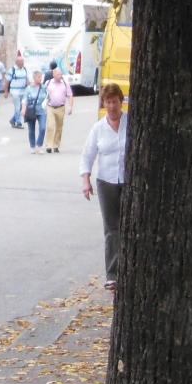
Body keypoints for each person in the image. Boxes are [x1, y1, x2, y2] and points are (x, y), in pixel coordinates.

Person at [79, 83, 128, 288]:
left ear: (121, 102)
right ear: (104, 104)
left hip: (128, 181)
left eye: (114, 102)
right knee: (111, 228)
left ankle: (130, 268)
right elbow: (87, 155)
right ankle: (113, 274)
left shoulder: (131, 123)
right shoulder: (98, 128)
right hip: (106, 182)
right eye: (108, 102)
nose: (112, 106)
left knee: (129, 226)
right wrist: (86, 180)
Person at [43, 66, 74, 153]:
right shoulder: (48, 83)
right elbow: (42, 92)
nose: (60, 76)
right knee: (50, 126)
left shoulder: (65, 83)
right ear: (53, 75)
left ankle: (56, 145)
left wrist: (70, 107)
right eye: (58, 74)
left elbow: (70, 95)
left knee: (59, 127)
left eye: (61, 74)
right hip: (50, 107)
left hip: (61, 108)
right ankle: (49, 145)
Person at [23, 70, 46, 154]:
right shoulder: (29, 88)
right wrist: (23, 109)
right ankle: (32, 146)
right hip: (31, 110)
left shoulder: (44, 87)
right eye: (39, 77)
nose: (40, 79)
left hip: (42, 110)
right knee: (31, 130)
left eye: (41, 77)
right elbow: (24, 99)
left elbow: (48, 96)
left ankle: (39, 145)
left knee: (43, 128)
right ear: (34, 78)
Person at [5, 55, 29, 129]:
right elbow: (7, 81)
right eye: (20, 61)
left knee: (22, 107)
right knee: (17, 107)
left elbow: (26, 79)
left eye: (23, 61)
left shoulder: (24, 69)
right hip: (15, 91)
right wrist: (6, 91)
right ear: (16, 62)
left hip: (23, 91)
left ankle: (13, 120)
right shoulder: (12, 70)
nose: (22, 63)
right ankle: (18, 122)